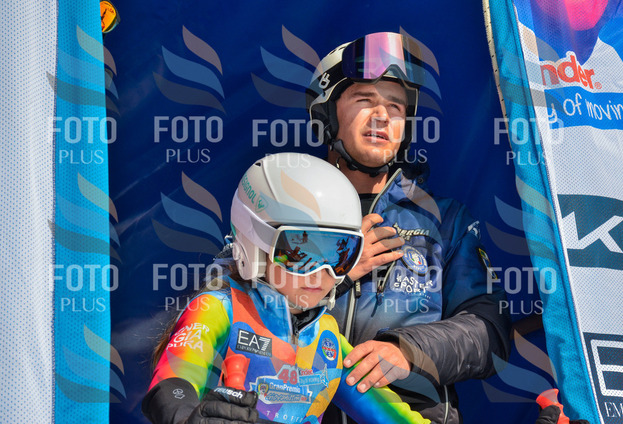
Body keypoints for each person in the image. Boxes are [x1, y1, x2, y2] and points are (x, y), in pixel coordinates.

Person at [305, 32, 512, 423]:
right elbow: (223, 305)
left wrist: (409, 350)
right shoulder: (281, 203)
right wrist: (335, 275)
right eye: (364, 100)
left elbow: (491, 331)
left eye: (395, 106)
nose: (382, 116)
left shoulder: (445, 220)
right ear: (327, 113)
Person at [142, 153, 430, 424]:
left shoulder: (328, 337)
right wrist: (185, 416)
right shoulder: (218, 308)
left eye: (339, 254)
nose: (321, 273)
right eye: (299, 253)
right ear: (254, 246)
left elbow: (395, 418)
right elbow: (172, 381)